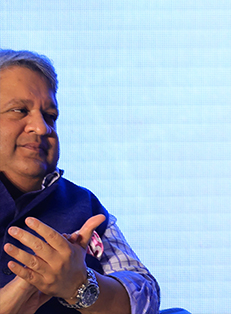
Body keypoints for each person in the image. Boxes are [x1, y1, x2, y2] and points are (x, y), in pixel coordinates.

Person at [0, 50, 159, 314]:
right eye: (20, 111)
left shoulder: (84, 205)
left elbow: (146, 297)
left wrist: (78, 284)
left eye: (50, 115)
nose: (42, 128)